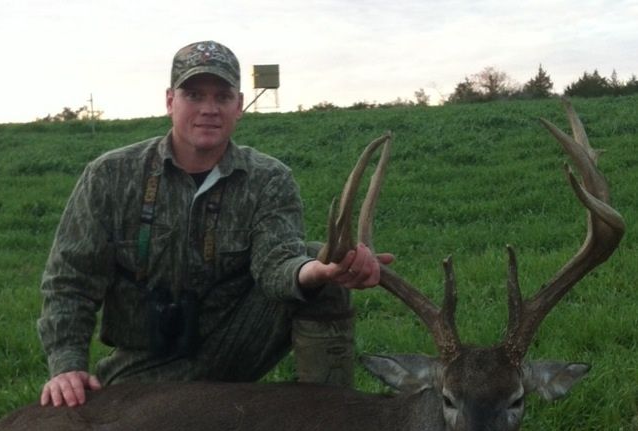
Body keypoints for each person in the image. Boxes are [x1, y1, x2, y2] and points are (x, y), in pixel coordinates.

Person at [38, 40, 392, 408]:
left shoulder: (268, 178)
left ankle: (328, 421)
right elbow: (71, 279)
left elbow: (277, 262)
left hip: (235, 343)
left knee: (321, 272)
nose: (209, 109)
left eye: (222, 97)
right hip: (150, 358)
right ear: (170, 101)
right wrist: (66, 365)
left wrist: (317, 270)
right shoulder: (111, 176)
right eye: (194, 94)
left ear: (238, 106)